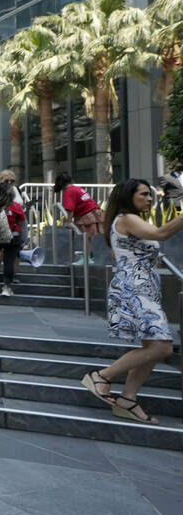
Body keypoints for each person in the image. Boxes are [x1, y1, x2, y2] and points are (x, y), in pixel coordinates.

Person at [80, 179, 183, 425]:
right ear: (129, 196)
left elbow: (123, 253)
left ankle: (128, 398)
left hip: (140, 287)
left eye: (150, 195)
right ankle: (101, 377)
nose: (150, 199)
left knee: (153, 348)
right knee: (162, 347)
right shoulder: (126, 218)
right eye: (144, 194)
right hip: (136, 289)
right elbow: (161, 233)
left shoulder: (126, 221)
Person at [0, 170, 24, 281]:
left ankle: (11, 275)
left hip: (18, 221)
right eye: (6, 180)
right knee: (2, 250)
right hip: (3, 222)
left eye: (12, 180)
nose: (9, 182)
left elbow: (18, 204)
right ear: (1, 180)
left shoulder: (16, 189)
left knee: (17, 251)